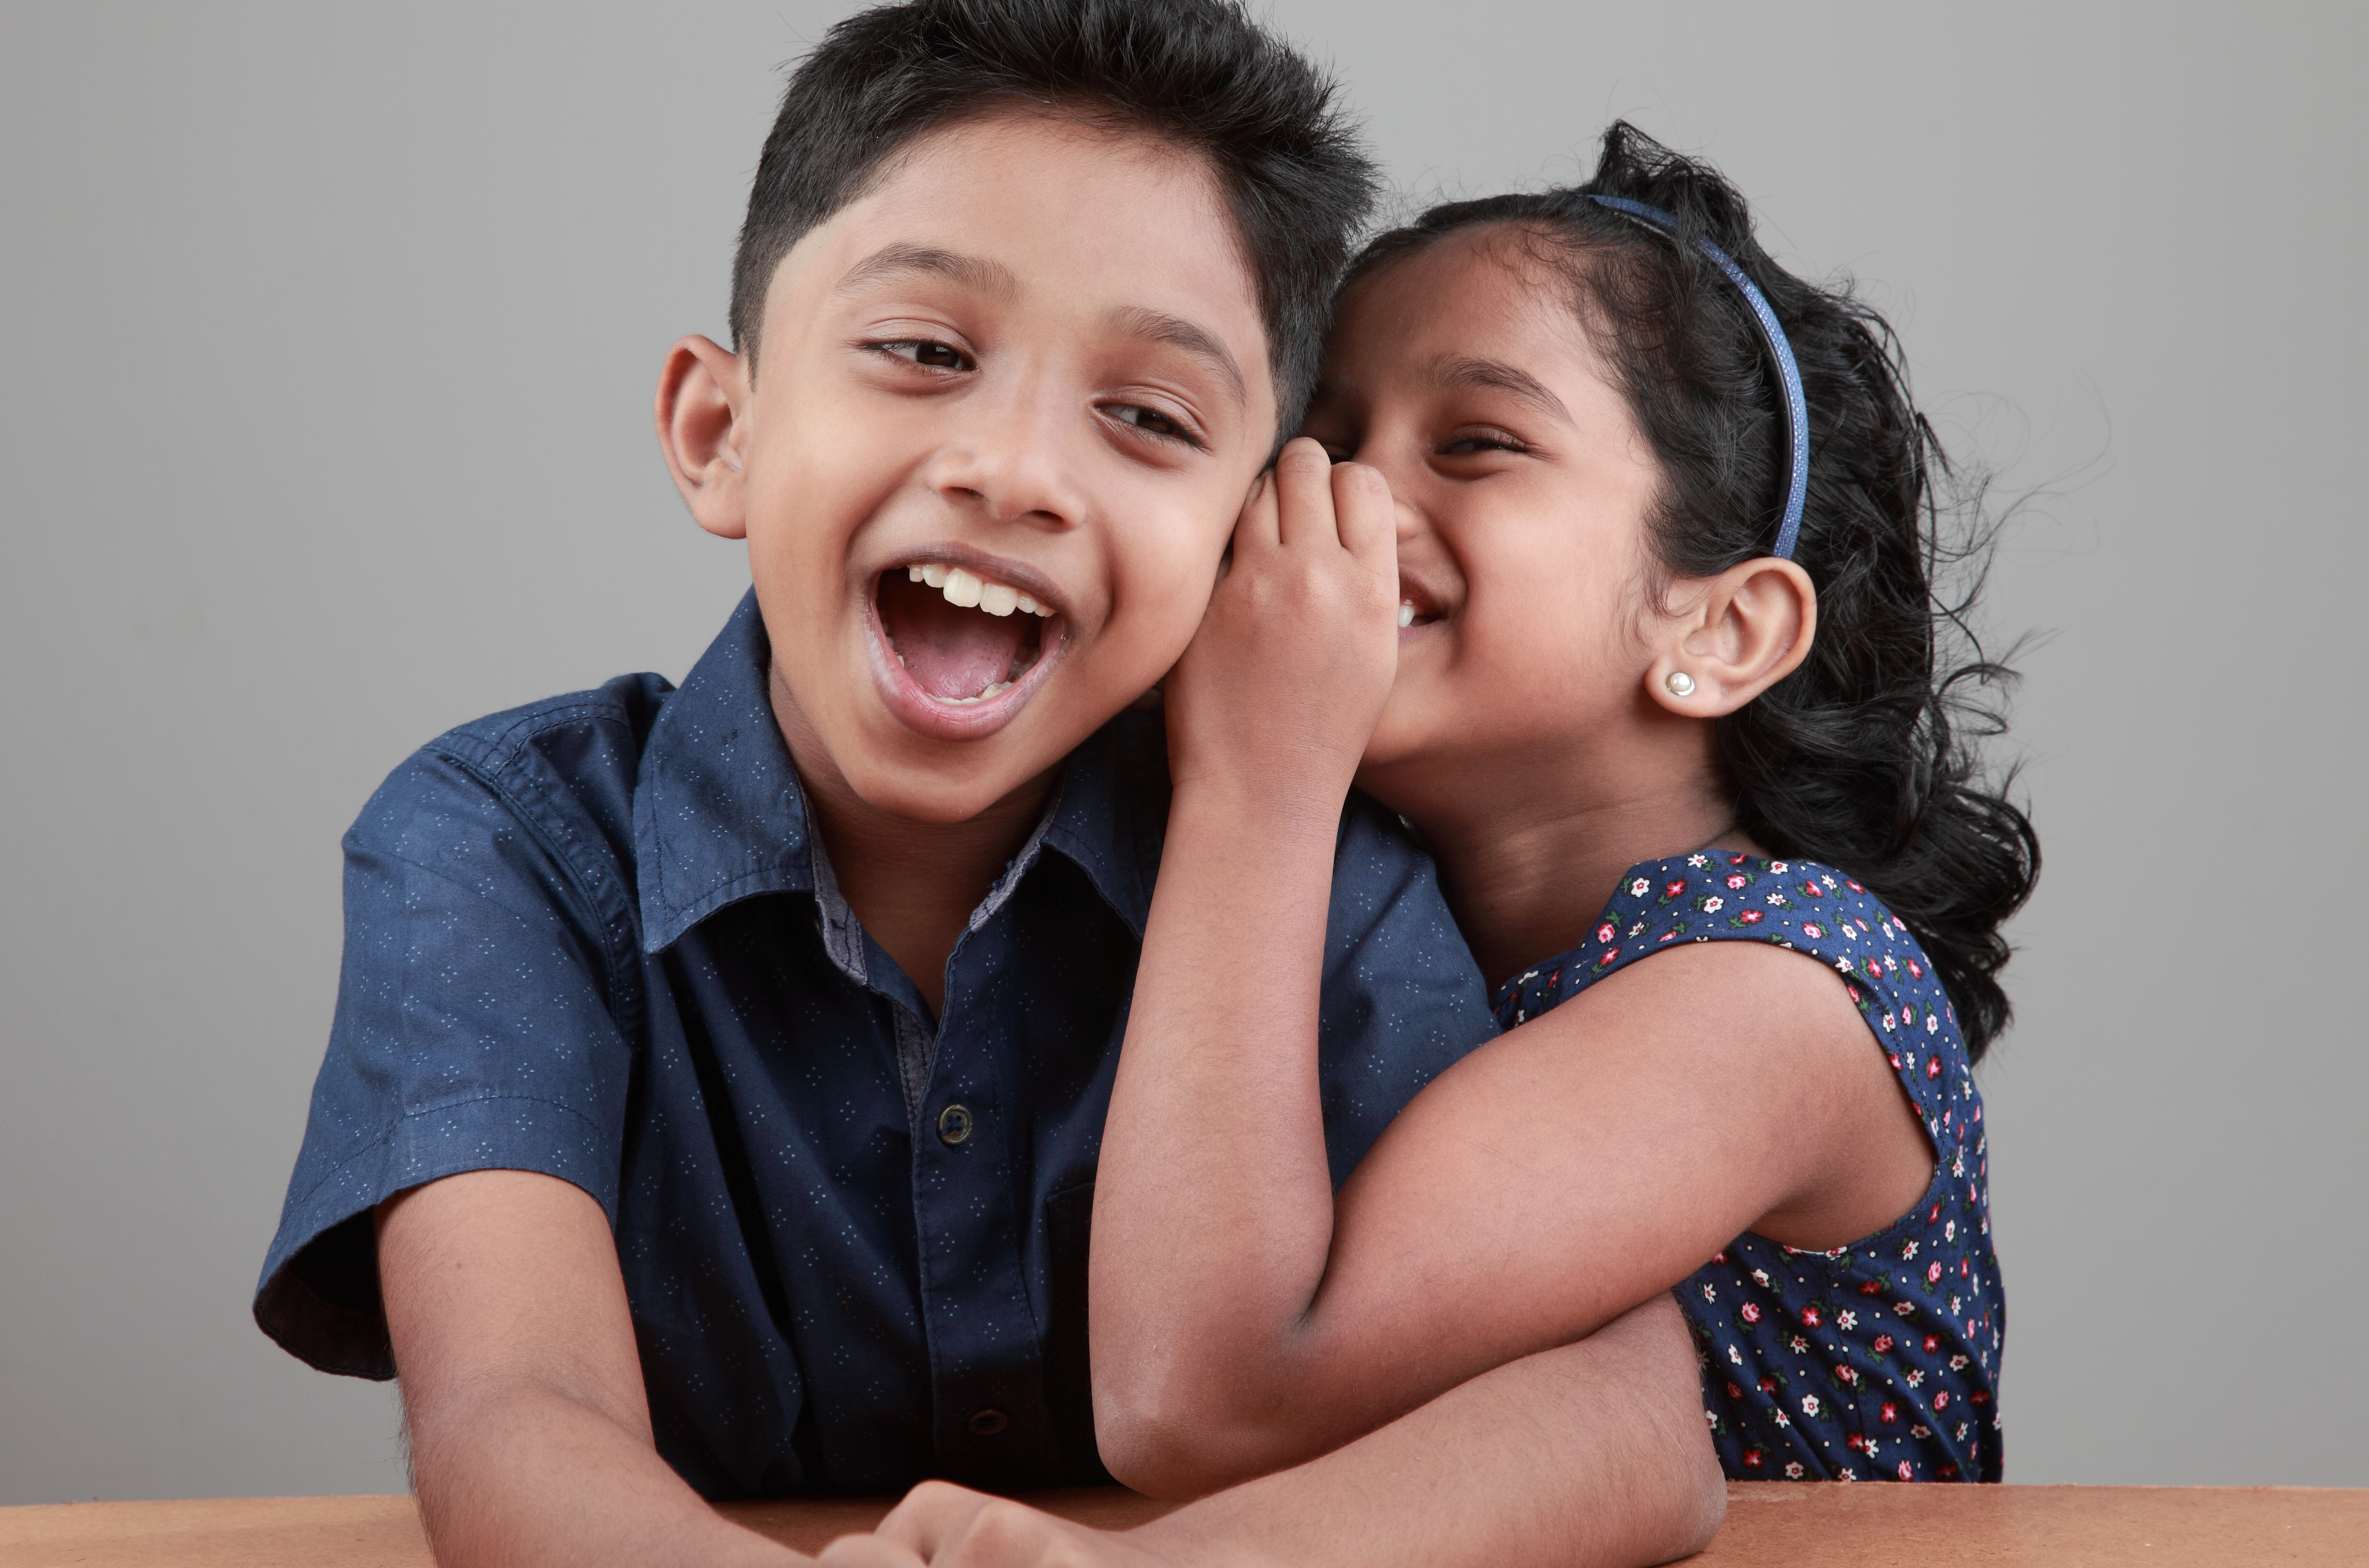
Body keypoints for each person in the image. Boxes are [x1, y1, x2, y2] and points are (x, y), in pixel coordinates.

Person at [254, 0, 1722, 1568]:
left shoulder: (1311, 870)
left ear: (1249, 535)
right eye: (924, 350)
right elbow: (515, 1423)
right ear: (717, 432)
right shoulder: (507, 848)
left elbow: (1628, 1423)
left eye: (1151, 417)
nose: (1014, 471)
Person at [829, 123, 2033, 1565]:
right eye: (1320, 440)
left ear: (1720, 627)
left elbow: (1200, 1394)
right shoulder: (1375, 934)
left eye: (1474, 443)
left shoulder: (1777, 991)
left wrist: (1257, 778)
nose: (1343, 500)